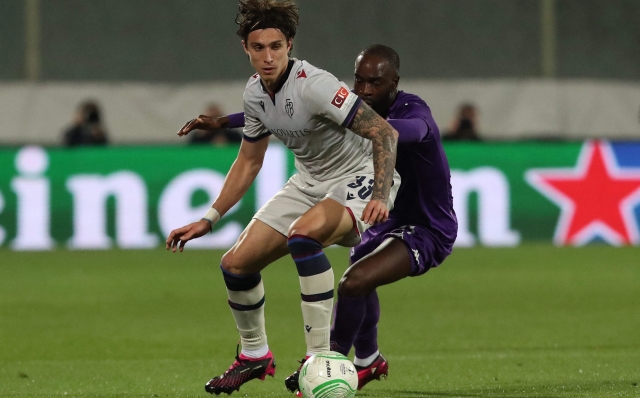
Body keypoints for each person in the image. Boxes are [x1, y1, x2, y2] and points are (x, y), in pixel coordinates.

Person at [165, 1, 401, 395]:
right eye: (259, 47)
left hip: (357, 178)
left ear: (289, 44)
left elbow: (384, 132)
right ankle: (254, 356)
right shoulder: (255, 95)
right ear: (246, 48)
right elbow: (248, 161)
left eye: (276, 46)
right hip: (309, 182)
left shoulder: (315, 85)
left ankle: (320, 358)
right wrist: (209, 218)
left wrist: (379, 193)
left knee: (303, 236)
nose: (268, 56)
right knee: (235, 265)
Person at [196, 44, 458, 394]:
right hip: (384, 220)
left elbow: (405, 132)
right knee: (360, 279)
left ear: (394, 82)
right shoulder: (354, 103)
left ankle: (328, 361)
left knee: (354, 282)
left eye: (374, 83)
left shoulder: (414, 110)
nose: (364, 90)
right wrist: (228, 121)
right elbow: (301, 114)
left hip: (427, 227)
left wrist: (359, 123)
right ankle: (368, 361)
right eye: (359, 81)